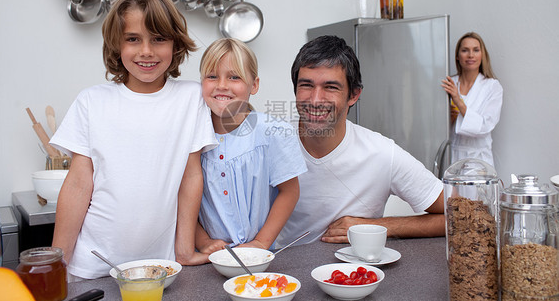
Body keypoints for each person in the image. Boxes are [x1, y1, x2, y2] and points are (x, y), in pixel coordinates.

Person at [50, 0, 218, 280]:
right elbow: (78, 184)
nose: (146, 51)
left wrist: (185, 250)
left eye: (158, 39)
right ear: (117, 44)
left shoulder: (191, 98)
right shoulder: (92, 101)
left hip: (161, 266)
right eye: (133, 39)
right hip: (94, 264)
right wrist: (57, 262)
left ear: (175, 44)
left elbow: (191, 177)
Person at [277, 35, 445, 247]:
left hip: (355, 273)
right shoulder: (272, 142)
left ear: (353, 95)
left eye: (330, 87)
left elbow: (460, 216)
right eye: (307, 85)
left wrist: (379, 227)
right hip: (283, 274)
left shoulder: (382, 153)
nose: (315, 99)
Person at [195, 38, 305, 254]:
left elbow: (289, 192)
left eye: (234, 77)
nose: (222, 85)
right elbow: (182, 200)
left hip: (259, 258)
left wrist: (261, 243)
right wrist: (203, 242)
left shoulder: (273, 131)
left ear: (254, 85)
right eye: (212, 76)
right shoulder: (192, 137)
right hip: (208, 259)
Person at [441, 32, 503, 166]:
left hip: (479, 162)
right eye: (465, 50)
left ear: (482, 55)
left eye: (476, 50)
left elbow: (485, 126)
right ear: (457, 56)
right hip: (452, 157)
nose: (470, 55)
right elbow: (434, 127)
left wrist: (458, 100)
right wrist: (448, 120)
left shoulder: (492, 87)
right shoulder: (450, 84)